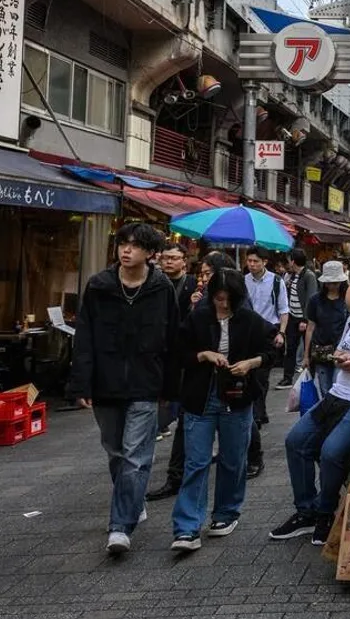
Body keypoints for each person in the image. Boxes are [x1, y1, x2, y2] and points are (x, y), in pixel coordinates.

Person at [69, 222, 181, 554]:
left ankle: (120, 526)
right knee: (116, 452)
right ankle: (132, 500)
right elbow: (84, 337)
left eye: (133, 245)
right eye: (122, 244)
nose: (126, 250)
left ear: (150, 253)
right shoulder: (99, 286)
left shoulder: (162, 289)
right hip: (106, 382)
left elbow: (172, 340)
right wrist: (81, 383)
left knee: (136, 456)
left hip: (146, 382)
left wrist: (170, 387)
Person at [271, 282, 350, 545]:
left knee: (331, 452)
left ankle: (325, 511)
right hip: (337, 394)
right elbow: (339, 348)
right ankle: (306, 510)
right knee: (296, 441)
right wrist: (340, 357)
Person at [171, 269, 277, 552]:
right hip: (200, 397)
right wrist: (204, 355)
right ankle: (187, 527)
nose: (223, 304)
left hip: (237, 397)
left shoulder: (250, 321)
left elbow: (273, 349)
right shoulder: (197, 319)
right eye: (218, 298)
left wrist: (251, 363)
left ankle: (226, 513)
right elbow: (179, 353)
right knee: (196, 461)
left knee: (232, 459)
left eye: (228, 299)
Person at [148, 252, 246, 502]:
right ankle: (182, 498)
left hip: (228, 384)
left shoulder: (235, 305)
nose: (203, 278)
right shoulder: (198, 300)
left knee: (232, 449)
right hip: (197, 383)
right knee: (194, 447)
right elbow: (183, 340)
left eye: (208, 273)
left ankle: (225, 505)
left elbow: (259, 341)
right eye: (202, 273)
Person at [243, 247, 288, 479]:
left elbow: (283, 309)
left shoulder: (276, 282)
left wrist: (281, 332)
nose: (251, 264)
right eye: (249, 260)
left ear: (265, 262)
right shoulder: (242, 282)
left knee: (261, 377)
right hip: (249, 333)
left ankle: (258, 414)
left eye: (255, 261)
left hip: (269, 332)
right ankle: (259, 413)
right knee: (253, 376)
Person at [157, 243, 195, 440]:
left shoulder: (193, 284)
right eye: (165, 258)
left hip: (183, 349)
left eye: (173, 258)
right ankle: (160, 423)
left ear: (184, 262)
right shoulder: (154, 283)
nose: (169, 262)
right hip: (158, 348)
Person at [303, 260, 349, 398]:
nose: (332, 285)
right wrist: (306, 355)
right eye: (329, 282)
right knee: (324, 389)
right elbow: (310, 328)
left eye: (335, 282)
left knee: (338, 388)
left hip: (341, 351)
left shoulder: (348, 299)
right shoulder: (315, 300)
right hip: (320, 350)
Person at [277, 249, 318, 390]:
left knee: (308, 348)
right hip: (292, 317)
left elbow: (311, 298)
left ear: (293, 261)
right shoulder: (292, 275)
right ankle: (287, 378)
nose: (288, 263)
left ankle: (311, 376)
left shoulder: (309, 276)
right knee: (291, 348)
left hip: (303, 319)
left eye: (289, 260)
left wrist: (305, 320)